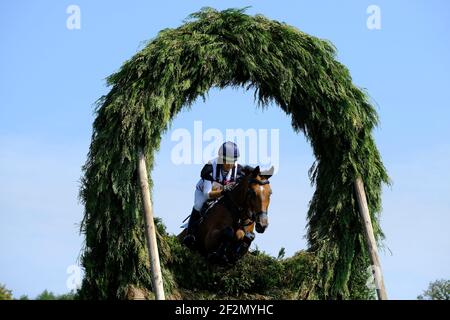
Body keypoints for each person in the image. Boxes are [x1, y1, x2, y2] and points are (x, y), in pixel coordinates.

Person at [183, 141, 245, 248]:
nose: (230, 165)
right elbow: (207, 194)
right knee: (198, 205)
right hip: (204, 192)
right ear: (221, 159)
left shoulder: (238, 170)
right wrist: (223, 191)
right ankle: (190, 235)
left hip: (222, 194)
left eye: (233, 161)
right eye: (228, 161)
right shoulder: (210, 167)